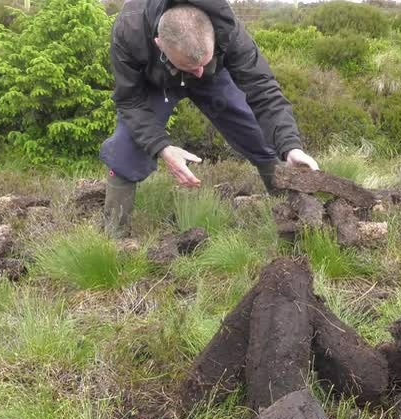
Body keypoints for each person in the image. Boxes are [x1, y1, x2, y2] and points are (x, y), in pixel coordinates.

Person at [100, 0, 319, 239]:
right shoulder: (130, 29)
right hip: (155, 85)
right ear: (159, 44)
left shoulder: (229, 31)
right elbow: (129, 100)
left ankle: (293, 219)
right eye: (190, 66)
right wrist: (162, 147)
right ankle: (115, 237)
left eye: (202, 61)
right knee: (126, 148)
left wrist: (291, 146)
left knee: (259, 135)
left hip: (214, 79)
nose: (197, 72)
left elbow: (263, 89)